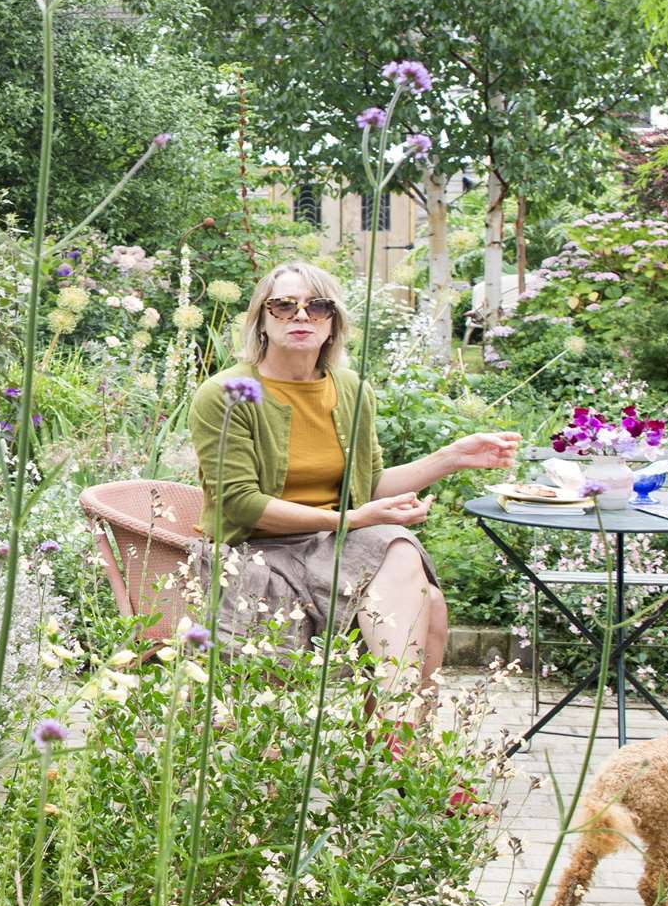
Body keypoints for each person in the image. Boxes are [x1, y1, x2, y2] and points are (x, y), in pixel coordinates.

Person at [189, 262, 520, 712]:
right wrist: (351, 519)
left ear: (333, 323)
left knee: (425, 591)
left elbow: (370, 485)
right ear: (261, 320)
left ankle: (396, 733)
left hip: (334, 545)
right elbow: (242, 505)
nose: (301, 316)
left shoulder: (350, 389)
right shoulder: (228, 392)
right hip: (256, 550)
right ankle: (400, 737)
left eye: (317, 306)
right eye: (284, 305)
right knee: (422, 589)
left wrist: (452, 457)